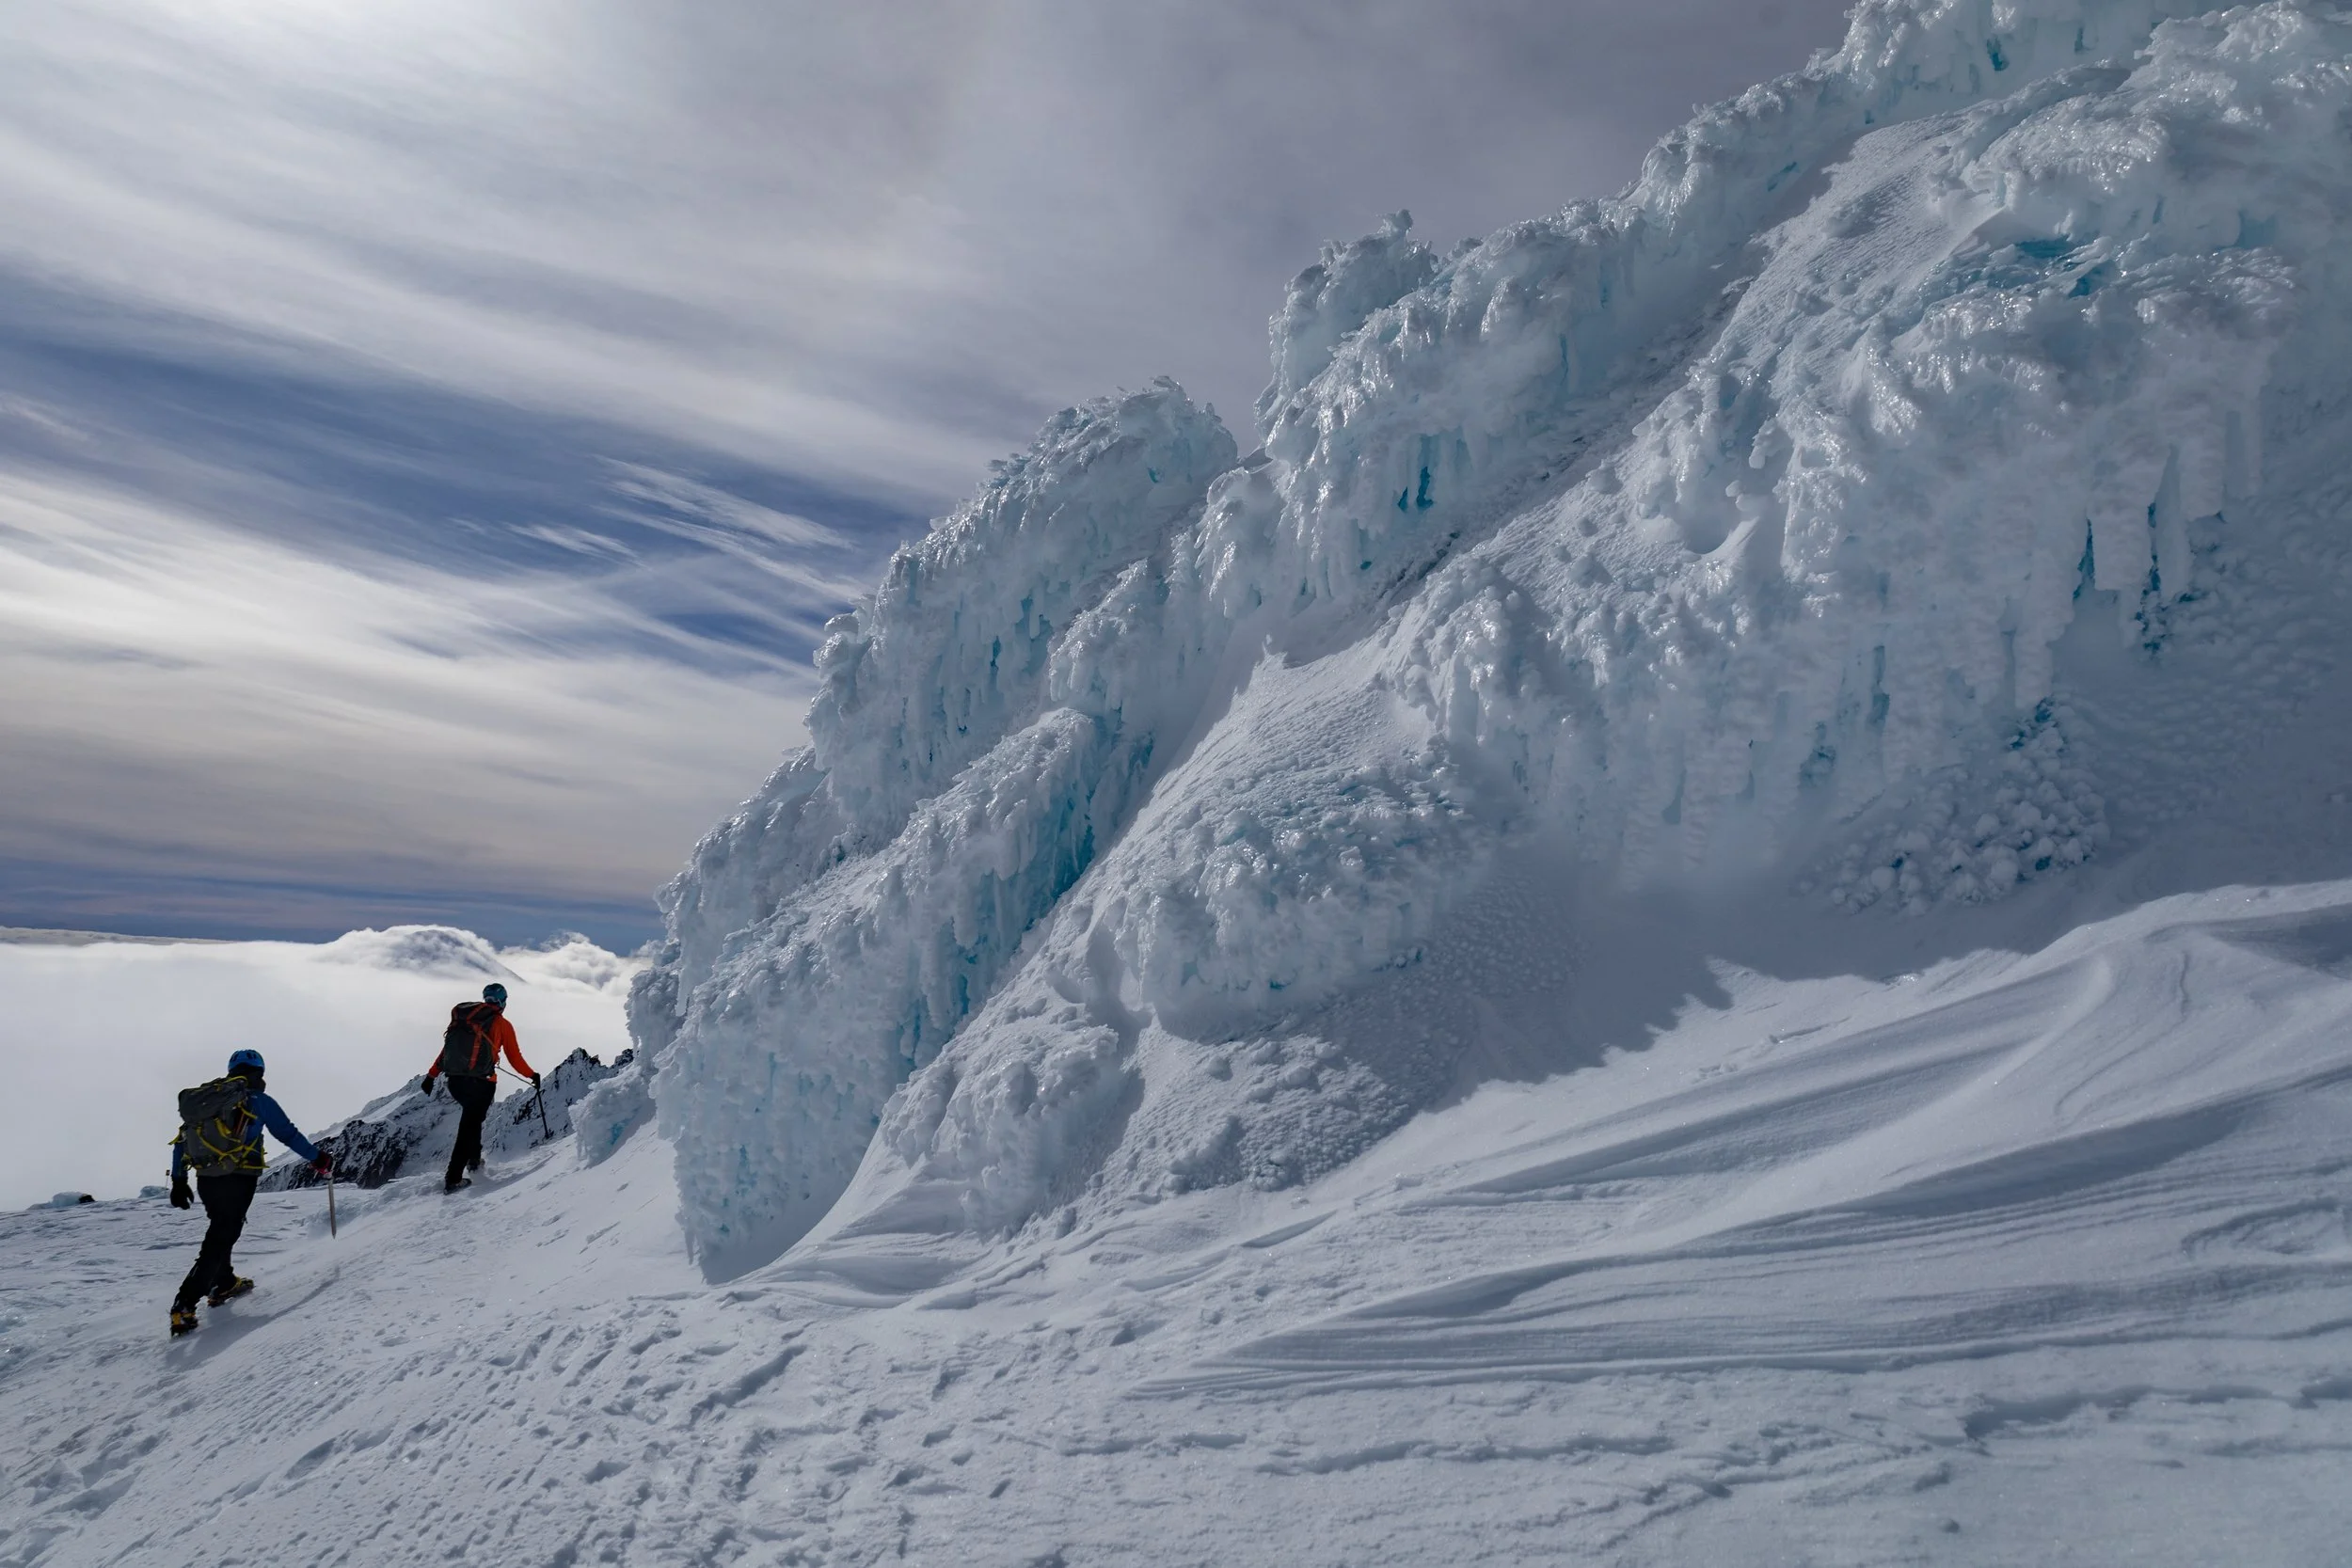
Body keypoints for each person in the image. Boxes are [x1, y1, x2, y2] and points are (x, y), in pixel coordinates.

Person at [168, 1049, 329, 1337]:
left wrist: (179, 1180)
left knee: (222, 1229)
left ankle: (224, 1282)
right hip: (239, 1177)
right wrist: (317, 1157)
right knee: (221, 1235)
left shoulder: (207, 1101)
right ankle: (185, 1304)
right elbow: (287, 1134)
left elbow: (183, 1139)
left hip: (206, 1177)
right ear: (260, 1073)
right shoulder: (258, 1100)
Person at [420, 982, 537, 1194]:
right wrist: (532, 1075)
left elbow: (445, 1050)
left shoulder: (465, 1021)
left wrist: (431, 1075)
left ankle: (474, 1161)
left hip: (455, 1082)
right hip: (482, 1083)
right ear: (503, 1002)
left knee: (472, 1121)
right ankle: (453, 1178)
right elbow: (514, 1057)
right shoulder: (501, 1024)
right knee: (469, 1127)